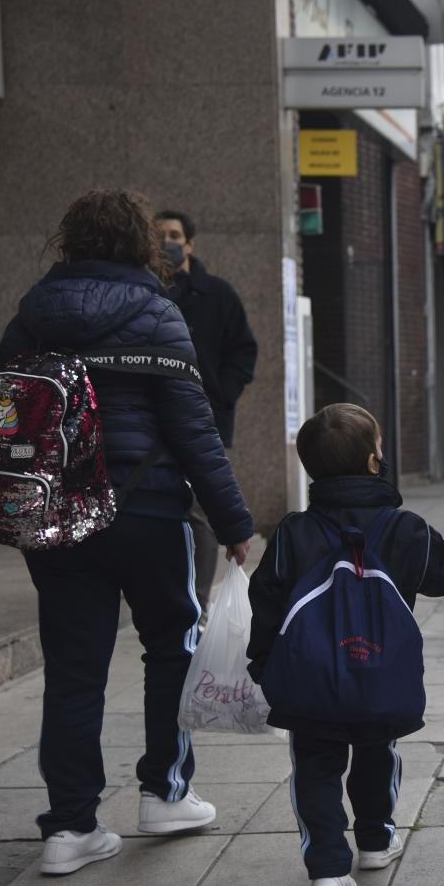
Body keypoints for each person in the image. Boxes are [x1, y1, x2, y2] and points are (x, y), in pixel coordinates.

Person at [0, 190, 254, 875]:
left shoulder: (31, 316)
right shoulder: (155, 313)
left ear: (69, 241)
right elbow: (194, 429)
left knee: (73, 669)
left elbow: (6, 413)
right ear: (141, 244)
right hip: (147, 510)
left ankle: (70, 827)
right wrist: (234, 524)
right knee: (172, 645)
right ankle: (165, 792)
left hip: (55, 516)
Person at [246, 403, 444, 886]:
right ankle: (375, 839)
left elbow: (267, 601)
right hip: (380, 674)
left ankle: (326, 869)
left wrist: (264, 662)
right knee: (375, 753)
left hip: (311, 682)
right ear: (372, 463)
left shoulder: (293, 532)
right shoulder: (401, 528)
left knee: (316, 767)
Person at [156, 209, 257, 612]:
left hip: (205, 418)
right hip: (156, 420)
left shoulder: (217, 294)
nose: (168, 240)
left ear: (190, 243)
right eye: (159, 234)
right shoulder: (147, 290)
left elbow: (243, 351)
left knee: (199, 510)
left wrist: (223, 394)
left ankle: (195, 602)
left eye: (175, 234)